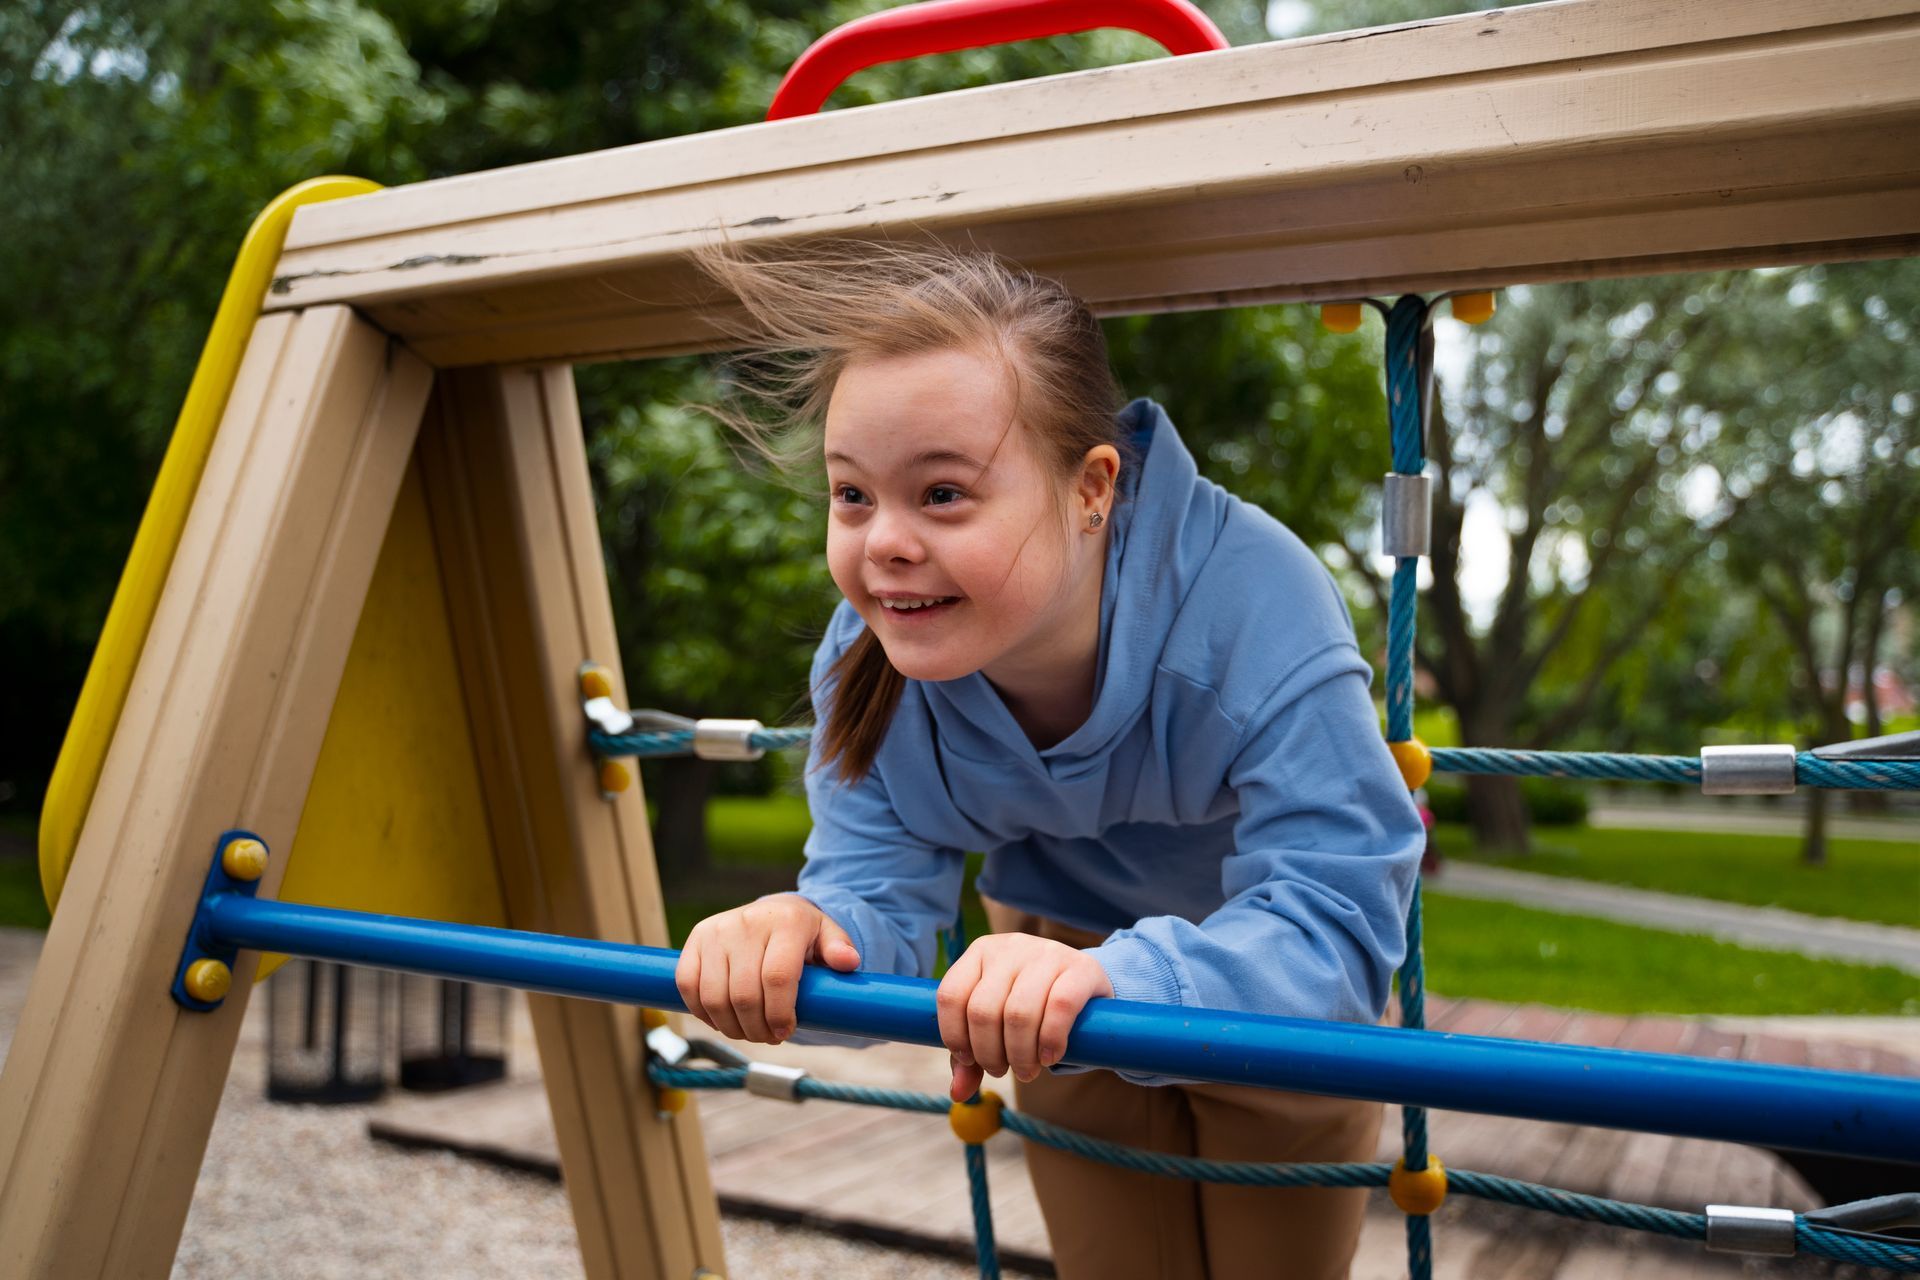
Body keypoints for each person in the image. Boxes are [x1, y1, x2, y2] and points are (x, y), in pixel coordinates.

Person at [674, 240, 1424, 1279]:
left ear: (1091, 489)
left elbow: (1340, 924)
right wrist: (802, 933)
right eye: (852, 495)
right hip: (1038, 979)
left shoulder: (1253, 603)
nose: (882, 541)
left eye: (941, 494)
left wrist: (1118, 971)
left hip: (1267, 984)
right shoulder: (869, 656)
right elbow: (876, 905)